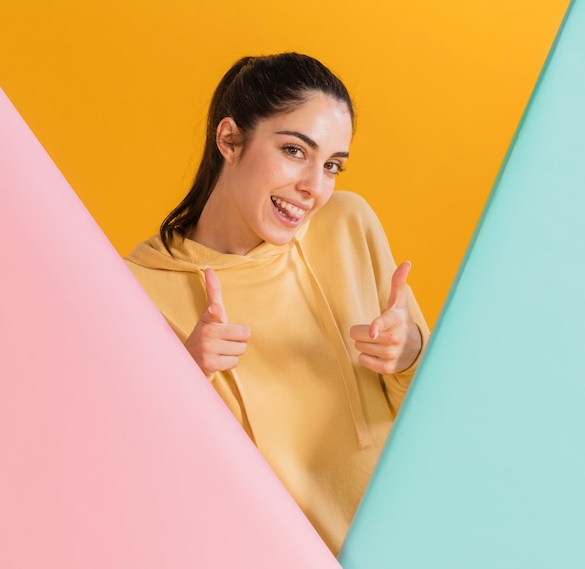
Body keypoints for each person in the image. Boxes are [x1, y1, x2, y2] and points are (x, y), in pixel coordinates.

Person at [125, 52, 430, 555]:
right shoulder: (136, 286)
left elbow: (438, 417)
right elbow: (126, 476)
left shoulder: (348, 224)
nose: (315, 187)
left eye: (332, 165)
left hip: (417, 542)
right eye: (294, 150)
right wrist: (179, 375)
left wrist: (413, 354)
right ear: (229, 139)